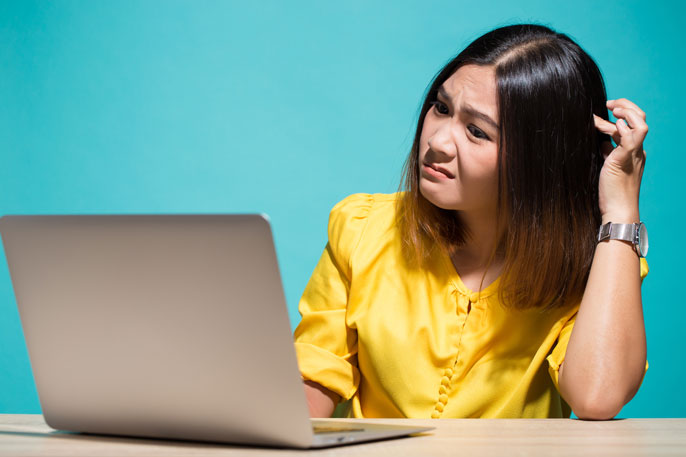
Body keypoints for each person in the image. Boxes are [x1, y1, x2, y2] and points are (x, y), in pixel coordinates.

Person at [293, 24, 649, 420]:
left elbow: (597, 396)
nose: (438, 143)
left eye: (477, 131)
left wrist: (620, 213)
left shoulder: (591, 265)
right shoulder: (362, 228)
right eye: (441, 108)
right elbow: (313, 380)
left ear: (541, 161)